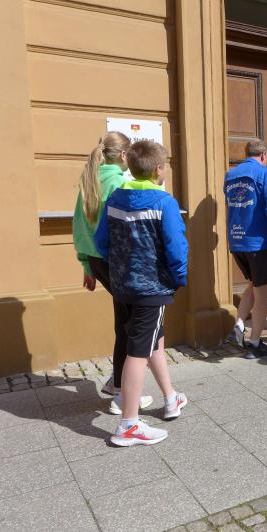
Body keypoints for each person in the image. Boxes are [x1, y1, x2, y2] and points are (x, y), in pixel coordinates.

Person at [94, 140, 188, 446]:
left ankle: (171, 398)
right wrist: (178, 278)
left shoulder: (116, 198)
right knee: (137, 352)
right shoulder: (164, 203)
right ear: (159, 169)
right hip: (151, 288)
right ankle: (129, 425)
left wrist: (121, 267)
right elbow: (176, 247)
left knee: (152, 340)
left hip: (123, 286)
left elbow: (101, 242)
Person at [71, 131, 152, 415]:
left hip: (96, 260)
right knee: (131, 325)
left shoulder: (89, 179)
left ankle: (117, 382)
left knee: (124, 320)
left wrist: (86, 265)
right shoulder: (118, 183)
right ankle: (122, 393)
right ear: (123, 155)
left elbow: (79, 226)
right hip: (114, 261)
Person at [224, 139, 267, 359]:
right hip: (258, 242)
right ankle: (255, 343)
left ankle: (239, 325)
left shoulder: (230, 175)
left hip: (237, 241)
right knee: (262, 296)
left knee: (254, 283)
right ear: (263, 156)